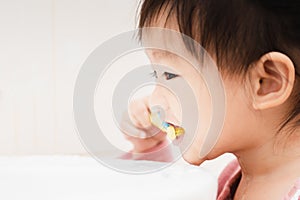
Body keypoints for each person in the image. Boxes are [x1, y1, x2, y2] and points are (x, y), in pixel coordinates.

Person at [121, 0, 300, 199]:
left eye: (170, 76)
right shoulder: (233, 179)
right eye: (155, 75)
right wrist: (150, 153)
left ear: (266, 83)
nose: (155, 102)